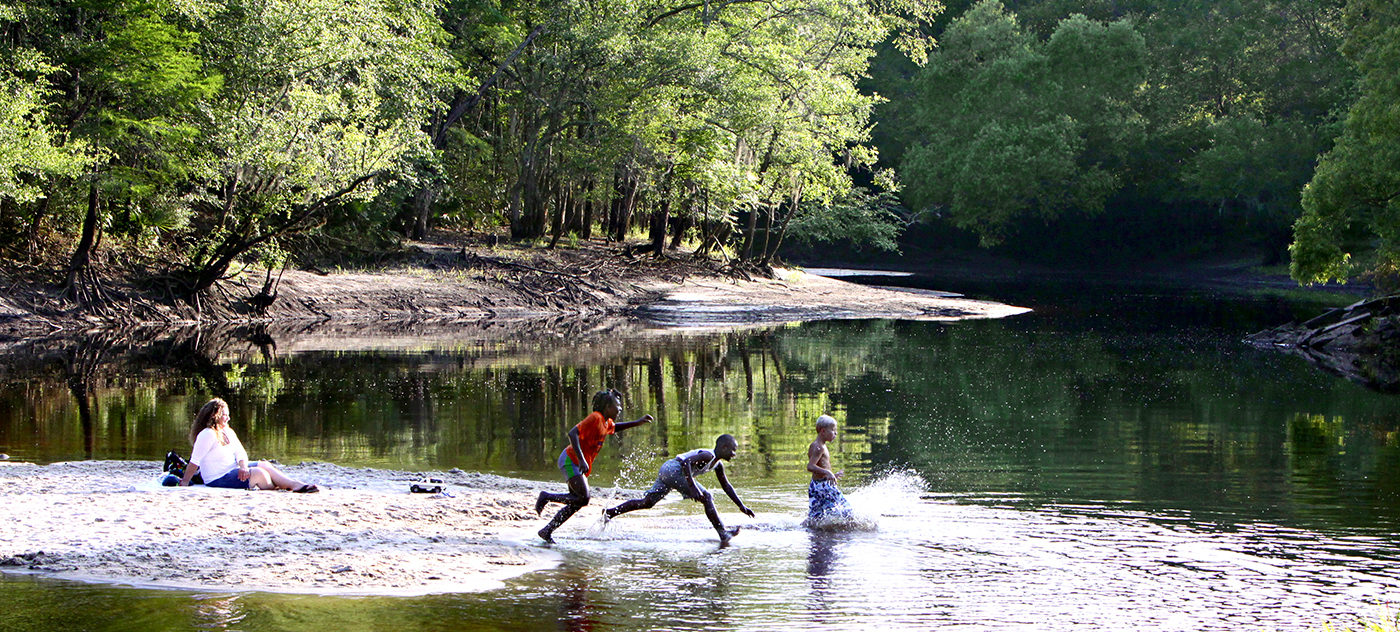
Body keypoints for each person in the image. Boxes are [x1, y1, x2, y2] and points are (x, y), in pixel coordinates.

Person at [534, 389, 653, 542]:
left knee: (576, 502)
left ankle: (547, 531)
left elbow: (615, 427)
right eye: (617, 406)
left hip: (577, 463)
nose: (620, 409)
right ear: (607, 407)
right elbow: (572, 434)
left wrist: (638, 422)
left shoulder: (605, 422)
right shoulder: (595, 418)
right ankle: (546, 497)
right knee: (583, 498)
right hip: (571, 460)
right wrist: (582, 459)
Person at [603, 434, 755, 545]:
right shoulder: (709, 455)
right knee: (707, 497)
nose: (734, 454)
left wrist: (741, 506)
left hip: (667, 469)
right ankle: (723, 533)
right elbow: (686, 462)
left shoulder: (717, 464)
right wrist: (692, 487)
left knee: (648, 502)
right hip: (675, 469)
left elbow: (727, 486)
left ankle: (610, 512)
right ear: (724, 447)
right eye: (733, 450)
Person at [178, 398, 319, 493]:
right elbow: (194, 461)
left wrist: (244, 466)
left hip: (232, 468)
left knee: (264, 465)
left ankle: (294, 484)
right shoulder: (207, 434)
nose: (228, 418)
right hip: (217, 477)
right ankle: (276, 488)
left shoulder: (227, 431)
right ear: (215, 416)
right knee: (260, 474)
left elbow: (240, 452)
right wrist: (185, 481)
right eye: (225, 415)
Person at [806, 414, 852, 525]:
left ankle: (808, 530)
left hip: (817, 485)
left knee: (816, 517)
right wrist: (827, 472)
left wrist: (831, 475)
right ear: (823, 431)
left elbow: (820, 466)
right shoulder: (818, 447)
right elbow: (810, 466)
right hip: (823, 487)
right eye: (833, 430)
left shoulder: (820, 445)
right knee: (847, 511)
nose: (835, 433)